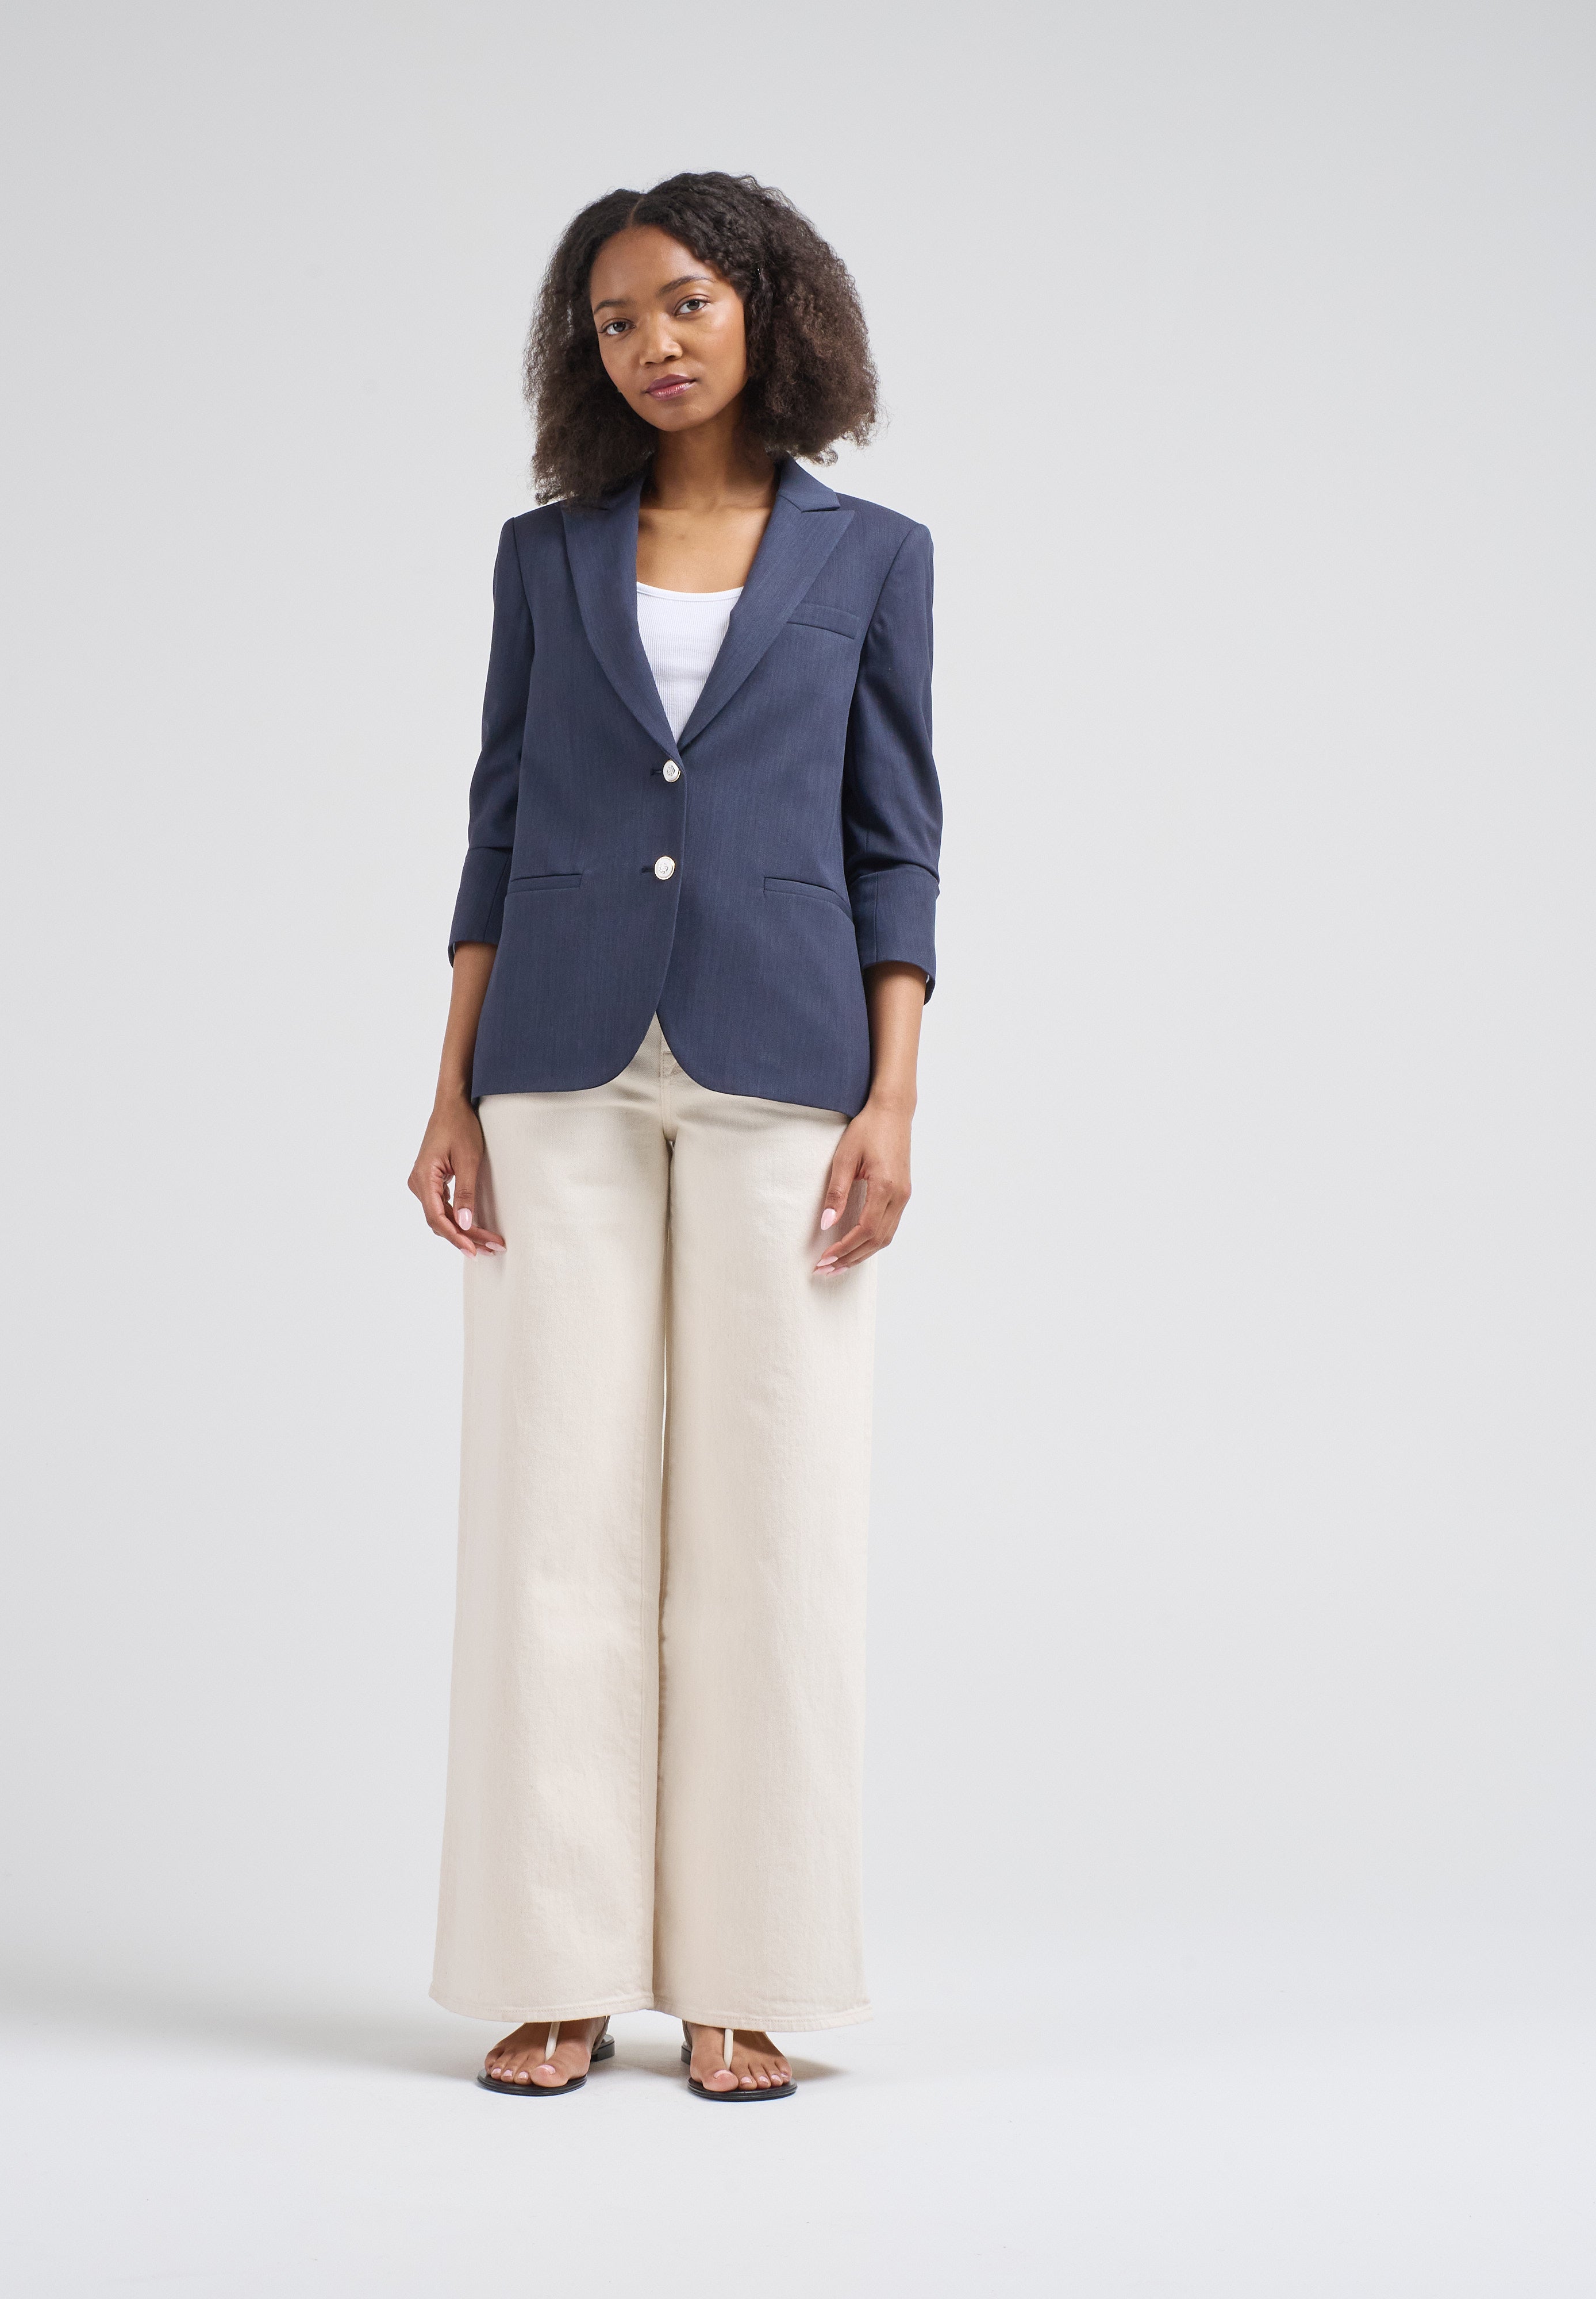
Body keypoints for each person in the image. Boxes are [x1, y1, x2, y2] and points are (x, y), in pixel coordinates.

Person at [407, 172, 940, 2100]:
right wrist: (450, 1084)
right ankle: (552, 1964)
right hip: (556, 1053)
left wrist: (894, 1096)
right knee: (548, 1507)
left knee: (774, 1519)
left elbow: (898, 841)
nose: (653, 342)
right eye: (617, 318)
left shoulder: (875, 555)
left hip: (788, 1058)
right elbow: (496, 821)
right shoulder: (544, 556)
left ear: (770, 308)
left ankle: (745, 1970)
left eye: (687, 302)